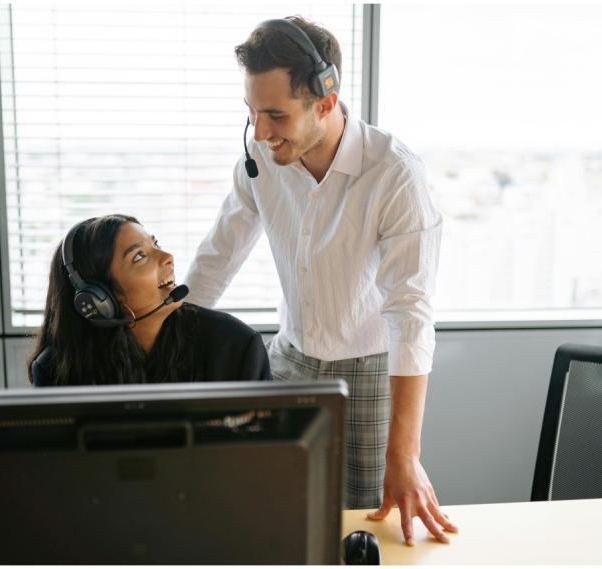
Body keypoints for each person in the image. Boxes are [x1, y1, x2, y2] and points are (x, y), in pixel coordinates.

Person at [183, 17, 457, 544]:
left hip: (374, 371)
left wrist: (405, 453)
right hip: (291, 359)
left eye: (275, 115)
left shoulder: (394, 174)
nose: (259, 132)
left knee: (368, 531)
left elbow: (411, 313)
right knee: (272, 514)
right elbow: (216, 259)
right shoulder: (261, 158)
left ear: (326, 102)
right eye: (252, 112)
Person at [29, 214, 271, 386]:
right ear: (98, 299)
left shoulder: (235, 346)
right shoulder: (57, 369)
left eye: (156, 244)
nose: (167, 257)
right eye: (140, 256)